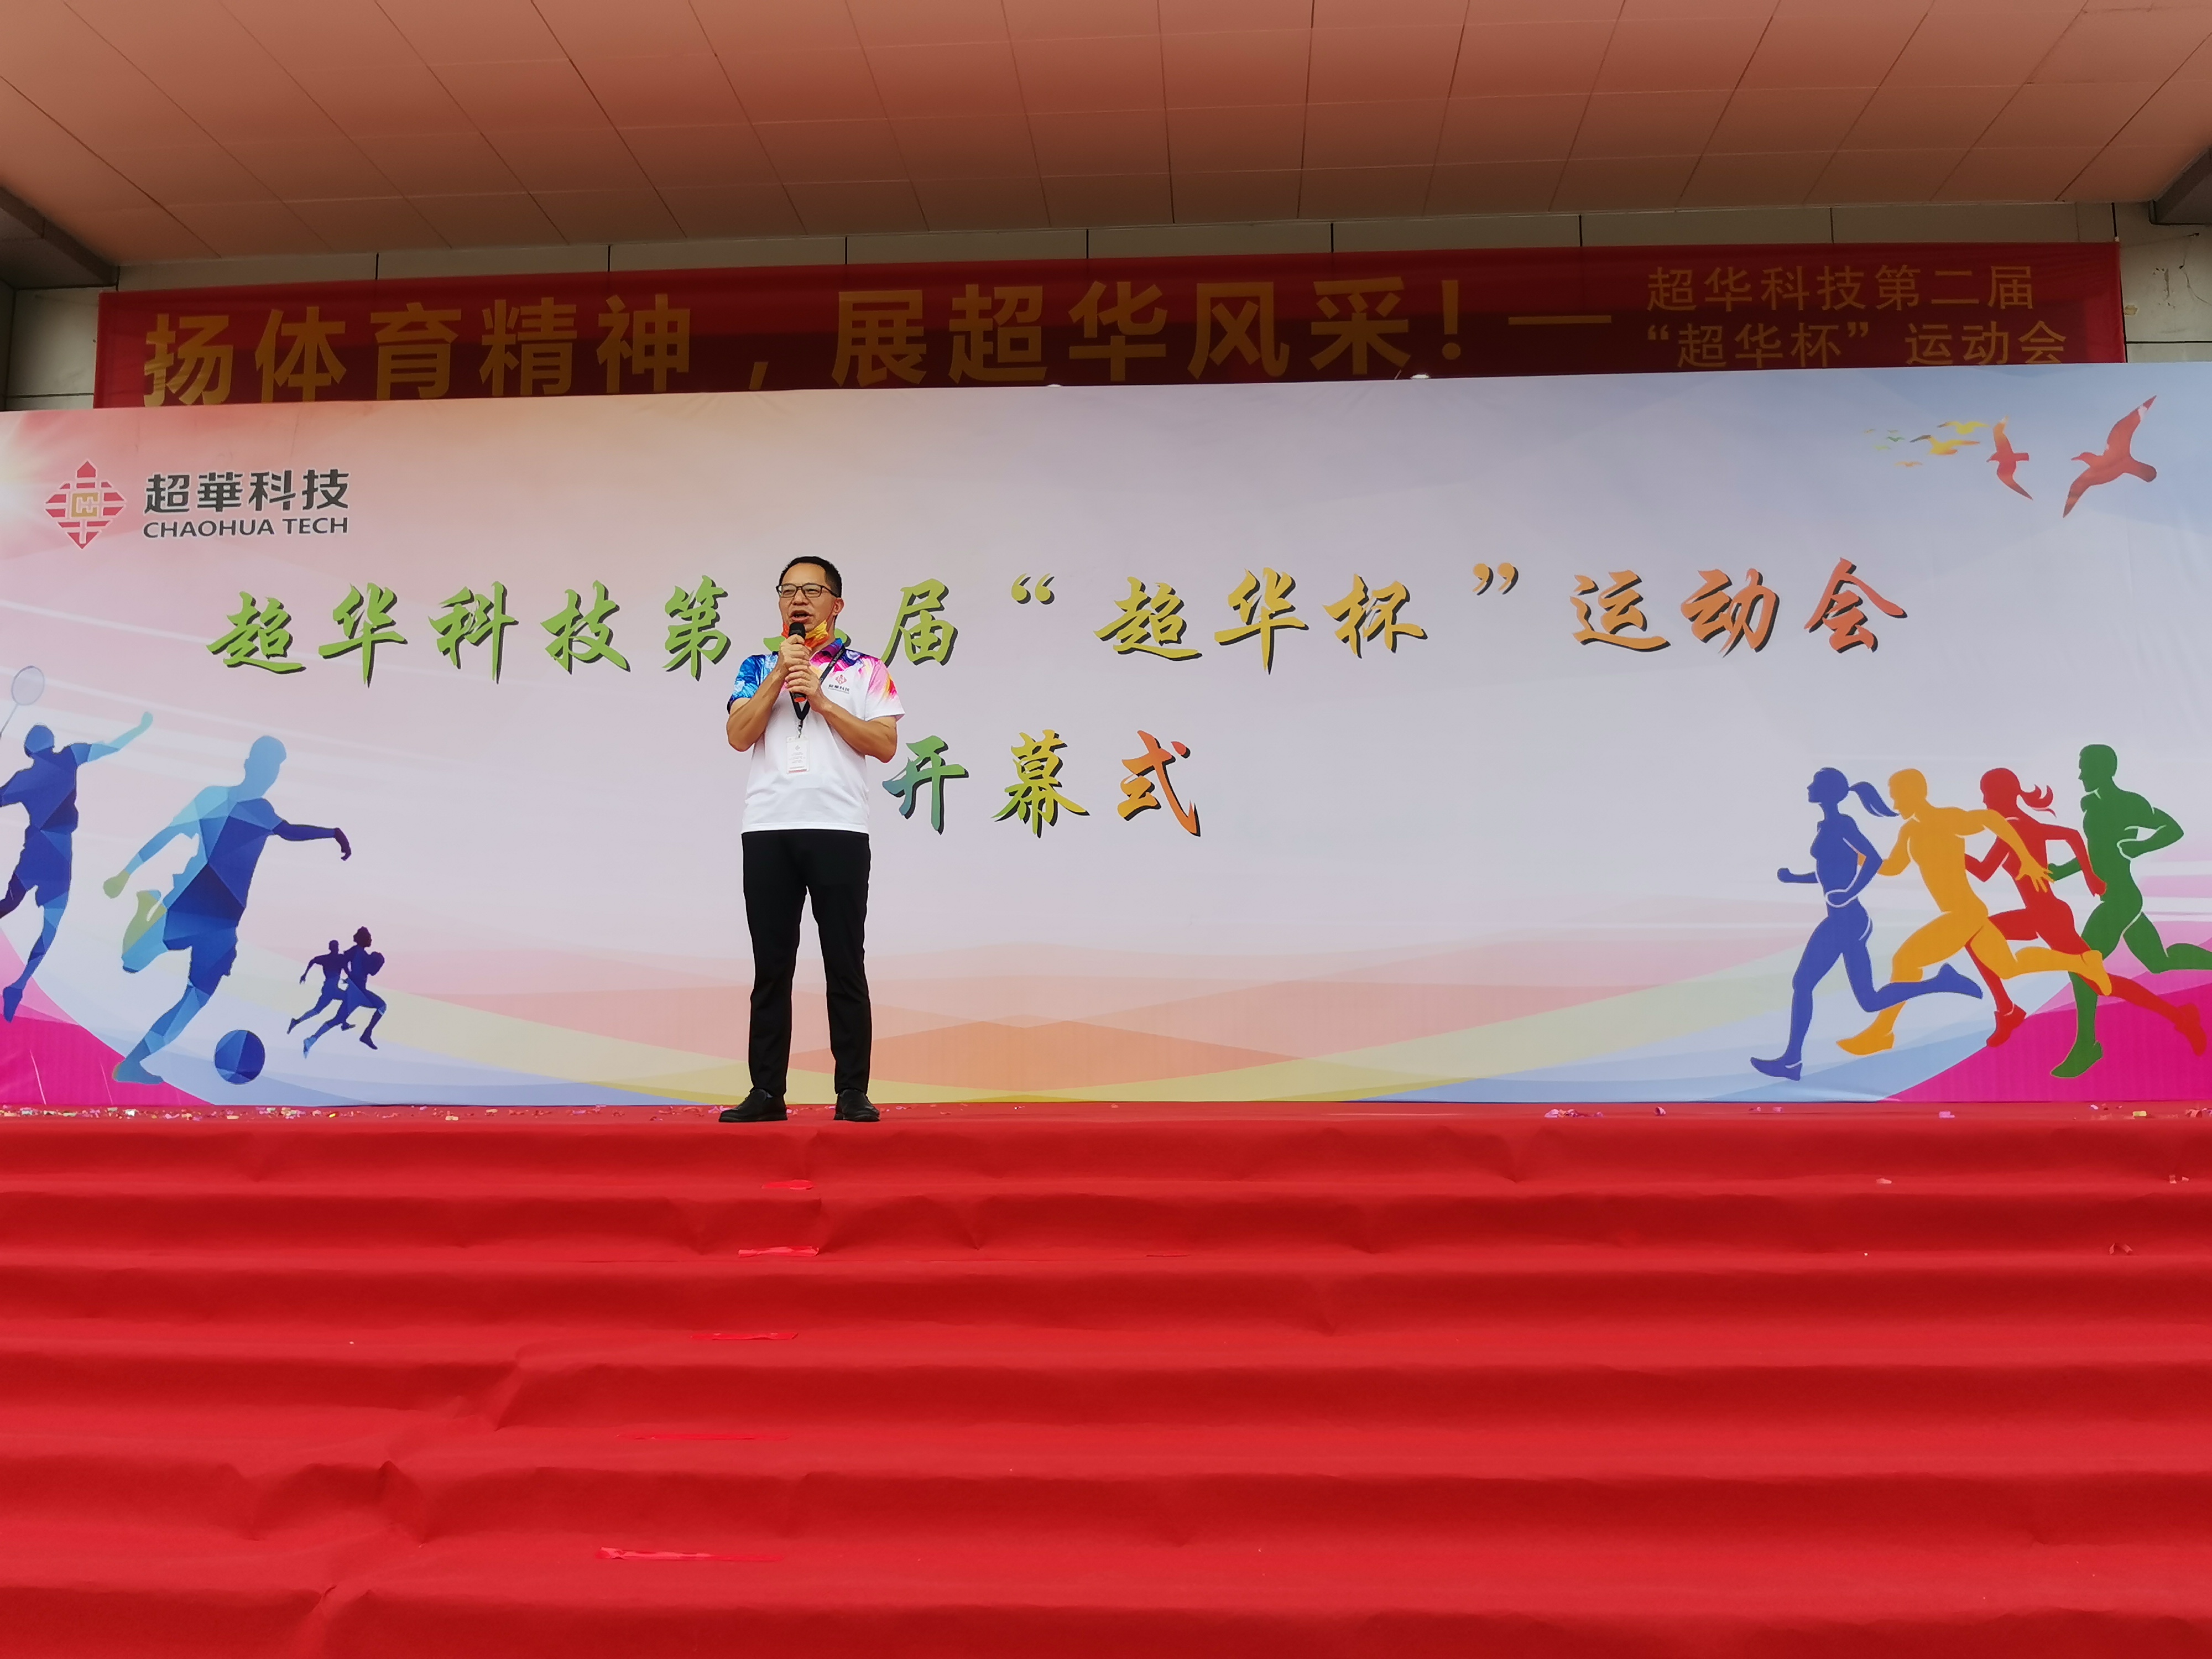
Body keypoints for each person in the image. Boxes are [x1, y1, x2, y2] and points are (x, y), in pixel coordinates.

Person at [721, 557, 902, 1123]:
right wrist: (780, 675)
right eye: (788, 591)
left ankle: (852, 1091)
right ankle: (766, 1092)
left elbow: (884, 744)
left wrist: (822, 700)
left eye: (812, 590)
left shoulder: (866, 669)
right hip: (768, 829)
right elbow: (738, 735)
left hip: (838, 829)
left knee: (844, 962)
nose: (798, 600)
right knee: (771, 966)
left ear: (836, 604)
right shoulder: (756, 667)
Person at [103, 736, 349, 1084]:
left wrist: (332, 833)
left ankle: (132, 1064)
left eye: (275, 769)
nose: (270, 775)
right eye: (266, 766)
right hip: (193, 907)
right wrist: (126, 872)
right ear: (248, 764)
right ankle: (146, 905)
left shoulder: (263, 811)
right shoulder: (214, 798)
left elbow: (291, 832)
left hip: (224, 922)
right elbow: (170, 833)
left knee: (195, 1000)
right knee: (131, 962)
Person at [1837, 768, 2109, 1057]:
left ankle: (1882, 1032)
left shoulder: (1948, 818)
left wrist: (2026, 859)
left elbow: (1993, 820)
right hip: (1969, 914)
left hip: (1963, 914)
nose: (1895, 804)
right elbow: (1894, 867)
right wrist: (1857, 857)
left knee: (1905, 961)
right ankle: (2083, 962)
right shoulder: (1909, 831)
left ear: (1914, 793)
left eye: (1897, 797)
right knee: (2009, 967)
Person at [1751, 769, 1980, 1082]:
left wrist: (1849, 893)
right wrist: (1796, 879)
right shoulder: (1828, 825)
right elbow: (1831, 870)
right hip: (1837, 921)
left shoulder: (1843, 824)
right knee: (1816, 987)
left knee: (1859, 998)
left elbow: (1873, 859)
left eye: (1815, 784)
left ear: (1828, 791)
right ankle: (1792, 1061)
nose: (1808, 787)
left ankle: (1941, 983)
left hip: (1849, 921)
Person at [1964, 767, 2204, 1065]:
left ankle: (2179, 1017)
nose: (1984, 801)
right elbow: (2072, 836)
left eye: (1987, 794)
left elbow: (1984, 871)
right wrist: (2087, 874)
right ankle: (2008, 1011)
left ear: (2002, 795)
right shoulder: (2024, 824)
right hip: (2040, 915)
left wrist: (1947, 850)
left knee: (2099, 982)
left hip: (2050, 918)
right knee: (1976, 936)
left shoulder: (2014, 828)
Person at [2043, 744, 2212, 1078]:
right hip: (2116, 897)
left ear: (2104, 769)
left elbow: (2172, 828)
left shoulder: (2128, 803)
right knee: (2159, 962)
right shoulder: (2093, 804)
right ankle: (2185, 1015)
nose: (2080, 775)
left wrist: (2141, 846)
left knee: (2081, 964)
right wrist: (2064, 871)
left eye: (2085, 768)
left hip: (2120, 899)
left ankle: (2088, 1046)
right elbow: (2098, 850)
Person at [0, 712, 151, 1020]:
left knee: (15, 907)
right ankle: (19, 985)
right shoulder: (67, 759)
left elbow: (109, 748)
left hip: (43, 854)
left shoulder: (30, 776)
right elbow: (111, 748)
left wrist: (139, 729)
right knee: (47, 924)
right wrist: (139, 729)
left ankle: (17, 987)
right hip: (54, 856)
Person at [303, 927, 387, 1053]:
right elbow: (368, 970)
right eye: (369, 937)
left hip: (355, 992)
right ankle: (367, 1034)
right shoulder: (359, 953)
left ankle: (311, 1040)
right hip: (359, 992)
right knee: (382, 1006)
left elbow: (351, 965)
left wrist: (350, 977)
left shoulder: (357, 952)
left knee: (337, 1019)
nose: (371, 940)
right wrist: (351, 976)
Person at [289, 940, 347, 1033]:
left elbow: (313, 961)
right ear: (331, 948)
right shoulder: (329, 959)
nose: (336, 948)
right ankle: (297, 1021)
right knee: (318, 1010)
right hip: (330, 988)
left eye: (337, 946)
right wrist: (305, 974)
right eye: (334, 946)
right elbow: (313, 961)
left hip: (331, 988)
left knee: (317, 1010)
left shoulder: (339, 958)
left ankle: (343, 1022)